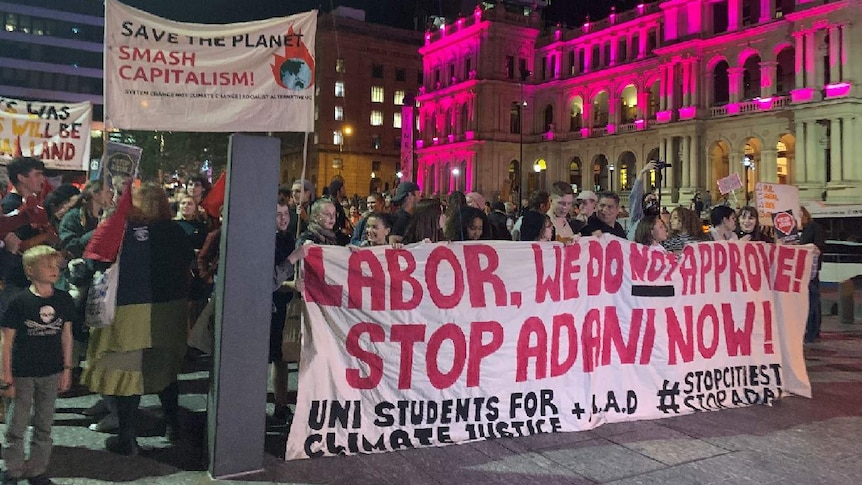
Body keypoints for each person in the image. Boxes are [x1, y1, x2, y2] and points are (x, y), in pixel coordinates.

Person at [80, 184, 194, 456]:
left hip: (130, 309)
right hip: (170, 310)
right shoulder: (176, 231)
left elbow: (95, 263)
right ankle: (173, 427)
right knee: (165, 368)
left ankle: (127, 438)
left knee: (127, 372)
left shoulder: (123, 231)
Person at [1, 246, 74, 485]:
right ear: (30, 270)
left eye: (56, 266)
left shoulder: (63, 299)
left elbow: (66, 334)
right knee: (16, 424)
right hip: (23, 372)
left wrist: (67, 368)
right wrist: (5, 375)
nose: (54, 270)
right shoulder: (19, 302)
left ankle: (37, 469)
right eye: (47, 266)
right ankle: (12, 469)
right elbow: (7, 340)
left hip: (51, 371)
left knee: (44, 423)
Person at [800, 207, 825, 343]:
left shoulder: (815, 228)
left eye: (800, 214)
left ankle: (813, 331)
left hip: (811, 271)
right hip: (797, 272)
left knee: (813, 301)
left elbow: (819, 246)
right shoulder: (792, 232)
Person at [625, 161, 659, 240]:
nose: (652, 203)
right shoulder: (637, 218)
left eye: (654, 200)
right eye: (649, 200)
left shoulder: (657, 222)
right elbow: (635, 196)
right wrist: (642, 172)